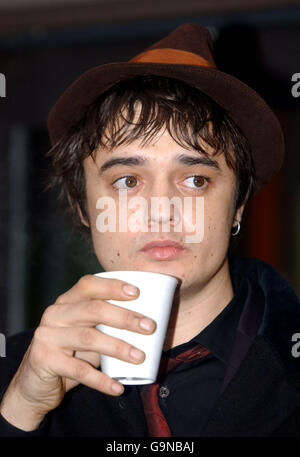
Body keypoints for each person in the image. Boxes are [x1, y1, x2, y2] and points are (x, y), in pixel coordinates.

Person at [0, 23, 299, 437]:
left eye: (195, 180)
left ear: (238, 206)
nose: (161, 212)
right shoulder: (15, 375)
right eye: (127, 180)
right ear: (84, 206)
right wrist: (19, 413)